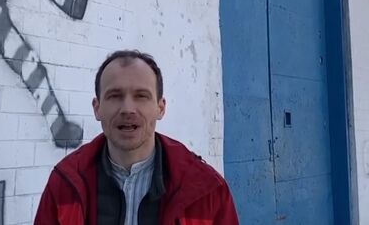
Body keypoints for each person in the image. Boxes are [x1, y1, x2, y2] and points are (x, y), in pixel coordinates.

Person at [34, 49, 239, 224]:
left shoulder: (207, 190)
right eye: (115, 96)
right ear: (97, 108)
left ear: (160, 108)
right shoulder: (65, 184)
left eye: (141, 96)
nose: (128, 109)